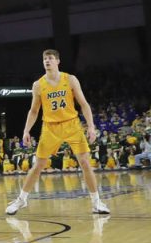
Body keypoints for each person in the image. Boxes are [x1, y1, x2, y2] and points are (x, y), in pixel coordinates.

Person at [6, 50, 109, 216]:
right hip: (50, 127)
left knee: (84, 162)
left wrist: (91, 126)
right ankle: (21, 199)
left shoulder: (70, 79)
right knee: (38, 165)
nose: (47, 61)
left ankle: (96, 202)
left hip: (72, 124)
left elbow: (84, 104)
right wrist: (26, 130)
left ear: (58, 61)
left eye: (50, 58)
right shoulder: (38, 85)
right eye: (45, 59)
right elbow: (34, 111)